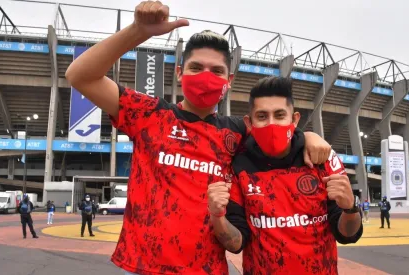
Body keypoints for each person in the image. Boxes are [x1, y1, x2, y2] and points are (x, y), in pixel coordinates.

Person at [65, 1, 332, 274]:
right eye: (196, 68)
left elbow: (278, 131)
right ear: (179, 73)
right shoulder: (149, 115)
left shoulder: (237, 131)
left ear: (229, 81)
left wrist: (308, 135)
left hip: (209, 269)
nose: (206, 77)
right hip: (147, 267)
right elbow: (79, 75)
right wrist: (137, 31)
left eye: (217, 71)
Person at [208, 77, 363, 274]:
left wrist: (350, 208)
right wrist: (217, 216)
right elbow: (236, 243)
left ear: (295, 119)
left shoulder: (321, 159)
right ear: (249, 122)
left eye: (280, 115)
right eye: (262, 116)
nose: (272, 124)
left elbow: (347, 235)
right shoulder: (240, 167)